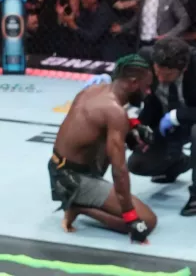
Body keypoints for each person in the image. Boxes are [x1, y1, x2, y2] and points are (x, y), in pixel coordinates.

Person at [85, 37, 196, 217]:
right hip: (163, 119)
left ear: (183, 68)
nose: (159, 78)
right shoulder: (147, 56)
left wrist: (178, 116)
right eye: (157, 72)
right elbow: (126, 76)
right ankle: (179, 163)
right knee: (138, 164)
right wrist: (109, 81)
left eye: (167, 75)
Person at [48, 54, 157, 244]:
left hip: (58, 167)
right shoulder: (114, 112)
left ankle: (82, 198)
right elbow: (119, 171)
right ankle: (79, 206)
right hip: (73, 179)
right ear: (133, 83)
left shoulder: (94, 90)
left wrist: (133, 126)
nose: (147, 92)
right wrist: (130, 216)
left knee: (116, 138)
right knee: (148, 221)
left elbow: (101, 121)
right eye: (145, 86)